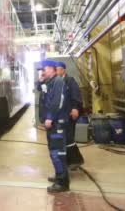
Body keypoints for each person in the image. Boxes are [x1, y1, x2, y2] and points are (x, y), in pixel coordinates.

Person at [37, 60, 70, 193]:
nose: (43, 71)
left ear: (52, 69)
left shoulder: (58, 82)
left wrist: (50, 117)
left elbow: (58, 101)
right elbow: (40, 91)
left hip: (57, 122)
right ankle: (59, 175)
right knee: (53, 151)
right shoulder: (49, 82)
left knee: (58, 152)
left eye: (45, 68)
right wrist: (41, 80)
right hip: (52, 124)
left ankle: (63, 182)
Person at [55, 61, 85, 169]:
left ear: (63, 70)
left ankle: (74, 161)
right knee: (65, 138)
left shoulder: (70, 81)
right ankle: (73, 161)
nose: (56, 71)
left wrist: (75, 108)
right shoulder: (56, 82)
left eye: (57, 69)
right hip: (60, 115)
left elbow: (76, 95)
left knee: (68, 137)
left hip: (69, 114)